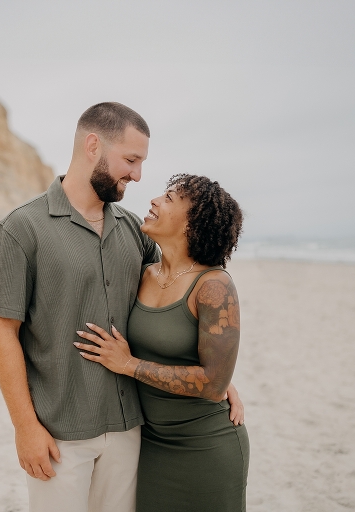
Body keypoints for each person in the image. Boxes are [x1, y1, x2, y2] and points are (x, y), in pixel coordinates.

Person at [0, 103, 243, 512]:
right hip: (59, 433)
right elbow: (2, 331)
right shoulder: (21, 229)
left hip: (131, 431)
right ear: (93, 145)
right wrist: (25, 427)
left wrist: (219, 378)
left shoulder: (134, 230)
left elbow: (181, 288)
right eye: (130, 160)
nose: (136, 175)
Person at [74, 174, 249, 511]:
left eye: (169, 198)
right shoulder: (143, 273)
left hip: (206, 446)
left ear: (193, 224)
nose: (154, 200)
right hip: (151, 444)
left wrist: (129, 365)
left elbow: (214, 385)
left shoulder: (213, 286)